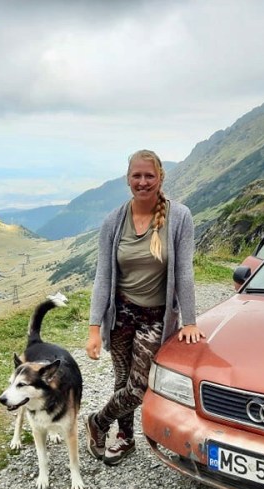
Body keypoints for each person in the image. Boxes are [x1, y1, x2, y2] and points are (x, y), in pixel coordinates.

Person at [84, 149, 204, 466]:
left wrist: (190, 321)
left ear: (160, 178)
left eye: (149, 176)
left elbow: (184, 273)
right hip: (121, 314)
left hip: (156, 316)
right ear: (128, 179)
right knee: (122, 380)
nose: (142, 182)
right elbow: (103, 277)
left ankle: (98, 421)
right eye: (136, 175)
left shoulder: (179, 217)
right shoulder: (113, 221)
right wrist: (94, 328)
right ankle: (126, 438)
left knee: (138, 388)